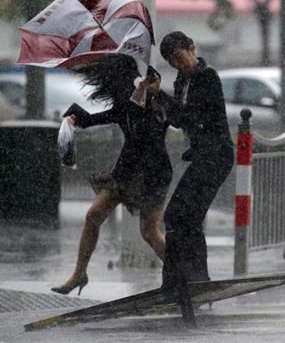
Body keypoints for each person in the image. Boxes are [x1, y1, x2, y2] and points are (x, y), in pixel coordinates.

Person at [51, 55, 172, 295]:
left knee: (149, 232)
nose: (115, 89)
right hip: (126, 170)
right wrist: (76, 117)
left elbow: (166, 119)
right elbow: (95, 119)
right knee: (93, 216)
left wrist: (154, 91)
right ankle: (79, 274)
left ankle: (183, 275)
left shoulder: (152, 98)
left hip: (153, 172)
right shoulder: (123, 104)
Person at [141, 31, 234, 289]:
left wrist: (162, 96)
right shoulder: (181, 81)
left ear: (192, 48)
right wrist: (155, 100)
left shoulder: (207, 77)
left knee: (177, 214)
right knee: (186, 217)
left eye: (180, 57)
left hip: (216, 155)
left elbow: (192, 116)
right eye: (172, 62)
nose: (177, 65)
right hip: (203, 155)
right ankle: (190, 280)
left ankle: (186, 280)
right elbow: (177, 120)